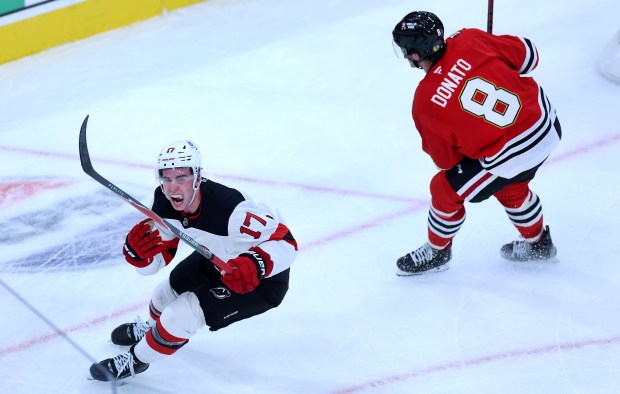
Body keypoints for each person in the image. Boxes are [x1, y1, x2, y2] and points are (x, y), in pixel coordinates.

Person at [89, 140, 297, 381]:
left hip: (259, 281)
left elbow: (286, 242)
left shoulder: (232, 210)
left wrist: (255, 264)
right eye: (166, 179)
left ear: (197, 178)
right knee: (163, 295)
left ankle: (136, 360)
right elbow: (156, 262)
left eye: (181, 178)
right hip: (217, 260)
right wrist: (140, 257)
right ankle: (151, 330)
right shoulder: (163, 203)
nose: (173, 188)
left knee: (181, 314)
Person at [391, 11, 560, 276]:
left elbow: (446, 162)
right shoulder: (469, 38)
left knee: (444, 188)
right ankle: (539, 244)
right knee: (507, 185)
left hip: (514, 150)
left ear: (414, 54)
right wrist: (488, 51)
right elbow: (530, 56)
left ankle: (438, 252)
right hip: (546, 124)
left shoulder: (425, 101)